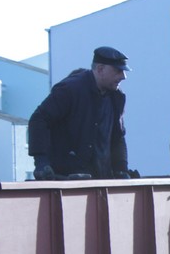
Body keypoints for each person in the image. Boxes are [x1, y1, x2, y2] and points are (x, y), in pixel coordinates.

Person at [29, 46, 131, 180]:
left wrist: (122, 170)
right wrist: (41, 163)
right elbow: (38, 120)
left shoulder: (116, 97)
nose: (123, 76)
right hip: (67, 180)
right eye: (118, 71)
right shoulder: (69, 90)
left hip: (100, 180)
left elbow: (118, 137)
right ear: (100, 69)